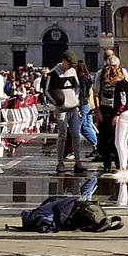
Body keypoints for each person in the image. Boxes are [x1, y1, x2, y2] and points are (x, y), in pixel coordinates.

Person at [46, 53, 89, 182]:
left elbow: (78, 87)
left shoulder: (72, 72)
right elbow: (47, 91)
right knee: (62, 135)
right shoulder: (53, 74)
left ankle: (78, 162)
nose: (70, 67)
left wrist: (77, 102)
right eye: (69, 64)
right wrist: (58, 102)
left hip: (73, 108)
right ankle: (60, 163)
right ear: (63, 61)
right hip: (61, 109)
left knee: (76, 134)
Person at [98, 56, 128, 186]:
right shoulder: (127, 83)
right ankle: (123, 167)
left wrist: (117, 114)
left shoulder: (119, 85)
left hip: (124, 114)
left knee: (119, 142)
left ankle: (123, 168)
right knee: (124, 142)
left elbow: (123, 101)